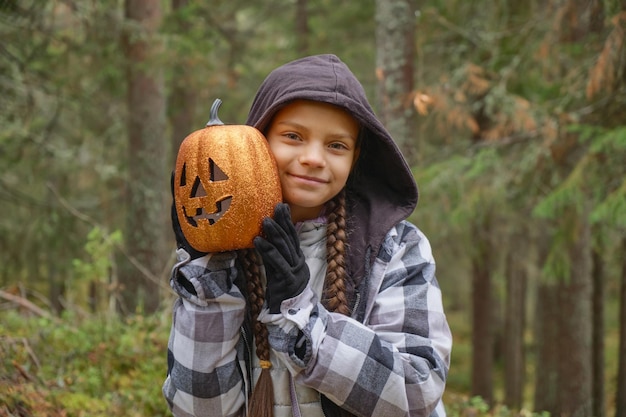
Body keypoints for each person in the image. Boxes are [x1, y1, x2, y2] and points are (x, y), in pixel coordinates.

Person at [163, 54, 452, 417]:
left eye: (336, 145)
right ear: (257, 140)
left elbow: (418, 389)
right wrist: (209, 281)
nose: (314, 158)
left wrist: (301, 315)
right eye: (293, 136)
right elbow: (198, 410)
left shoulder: (393, 248)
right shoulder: (227, 255)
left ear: (355, 157)